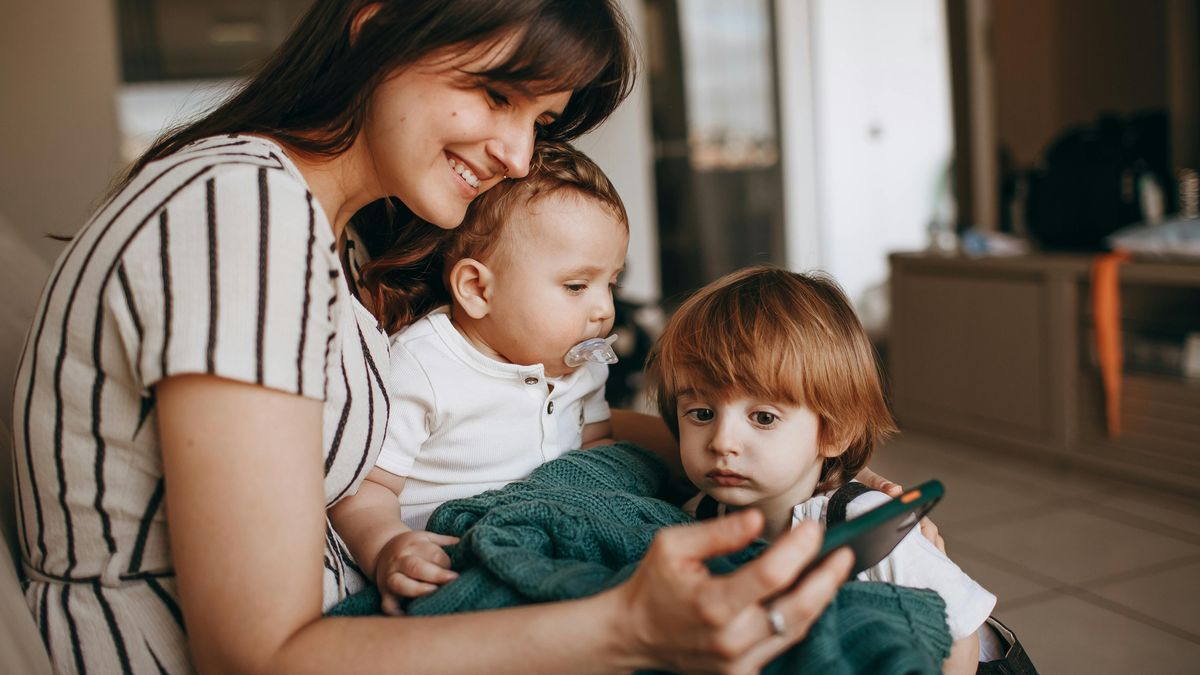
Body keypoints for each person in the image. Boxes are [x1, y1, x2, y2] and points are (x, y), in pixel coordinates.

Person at [10, 1, 879, 672]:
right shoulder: (241, 208)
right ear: (379, 28)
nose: (515, 152)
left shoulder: (327, 238)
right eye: (496, 94)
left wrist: (798, 465)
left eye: (540, 120)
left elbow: (590, 433)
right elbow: (258, 654)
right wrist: (628, 627)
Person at [645, 265, 1000, 674]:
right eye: (702, 413)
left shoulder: (866, 524)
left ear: (833, 432)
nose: (722, 441)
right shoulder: (697, 517)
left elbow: (959, 632)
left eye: (763, 418)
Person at [330, 141, 628, 612]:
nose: (604, 310)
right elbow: (365, 487)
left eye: (610, 283)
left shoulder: (582, 366)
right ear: (476, 289)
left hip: (550, 542)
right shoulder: (426, 365)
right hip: (456, 560)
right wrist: (387, 547)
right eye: (576, 286)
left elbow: (597, 452)